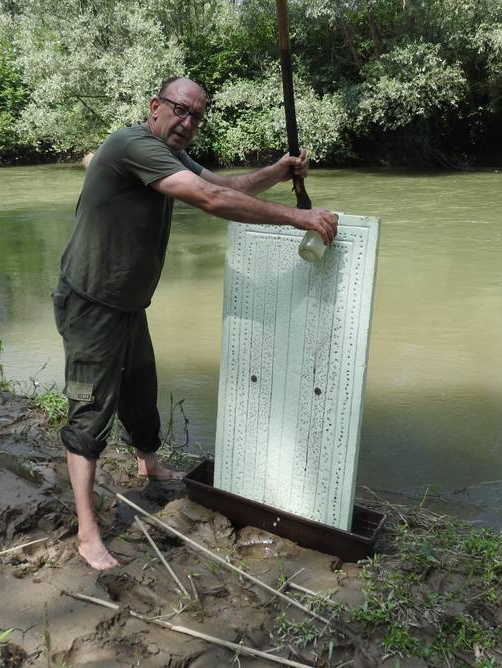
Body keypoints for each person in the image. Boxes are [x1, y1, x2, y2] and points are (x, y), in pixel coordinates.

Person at [53, 76, 338, 570]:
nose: (187, 122)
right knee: (90, 412)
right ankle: (87, 531)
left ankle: (149, 463)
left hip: (125, 304)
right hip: (91, 304)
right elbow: (208, 201)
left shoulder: (167, 153)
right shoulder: (131, 145)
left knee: (140, 389)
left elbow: (221, 186)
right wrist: (298, 219)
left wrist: (276, 171)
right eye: (179, 110)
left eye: (196, 116)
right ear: (155, 107)